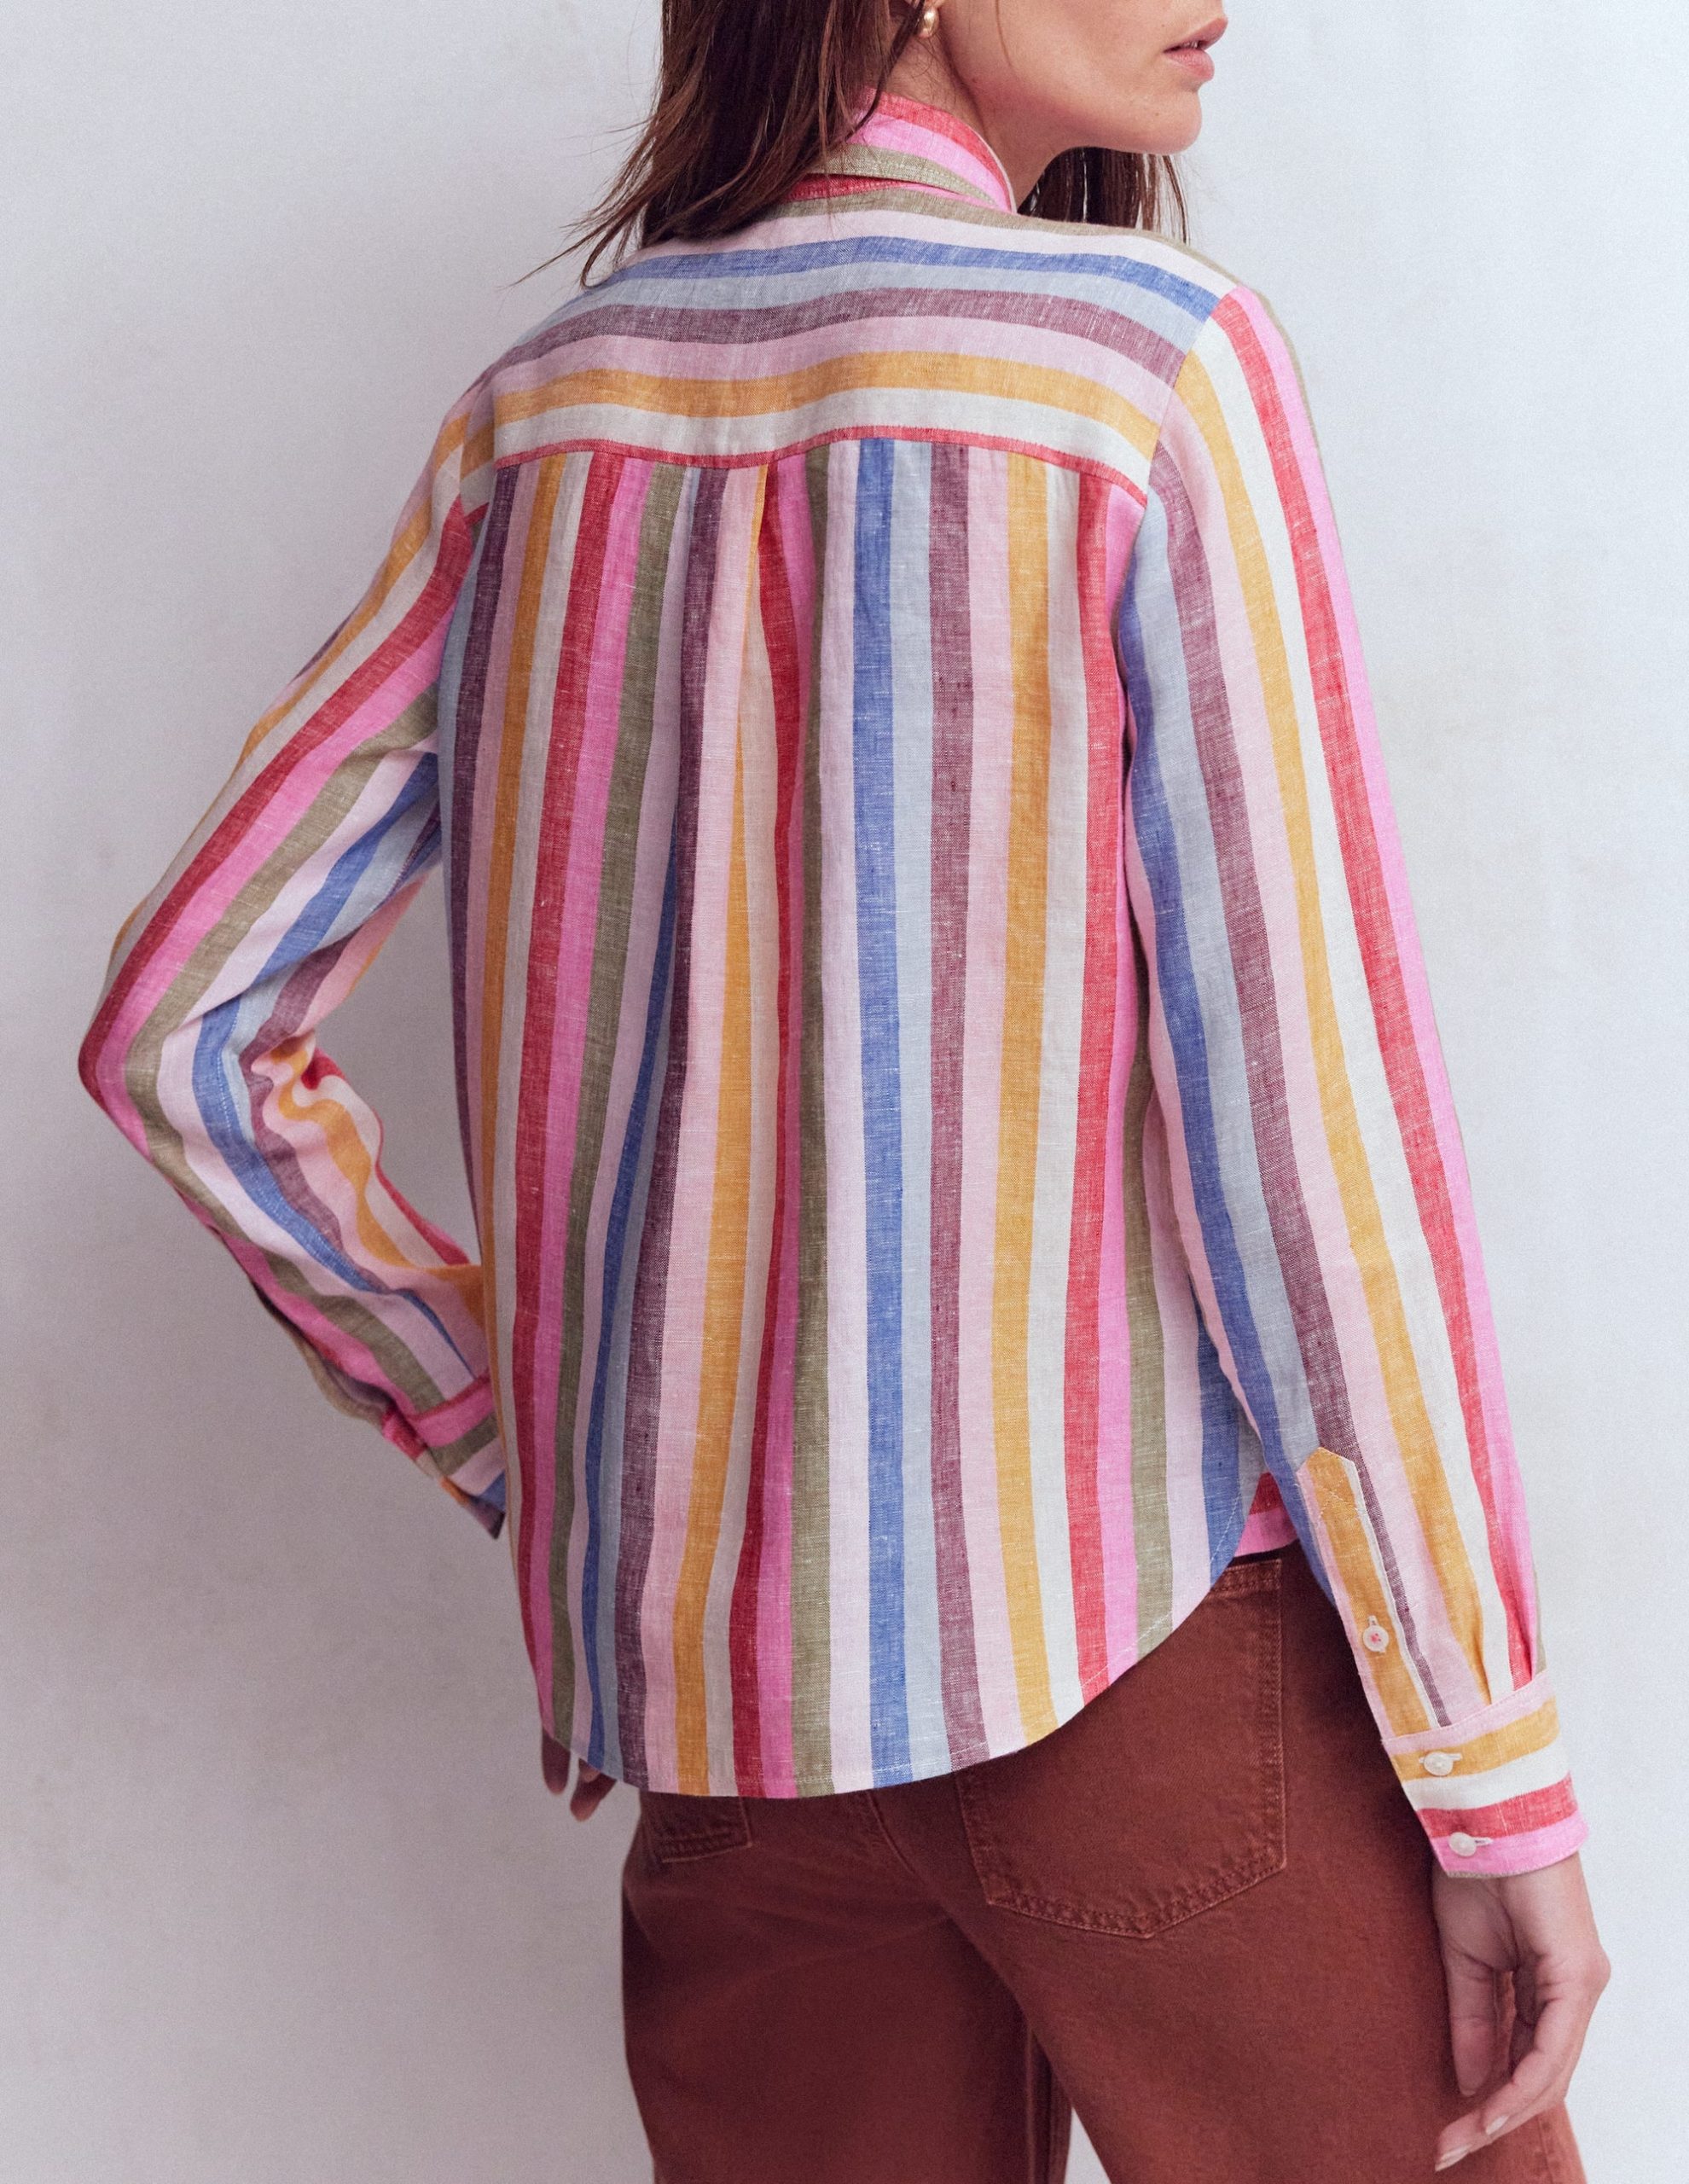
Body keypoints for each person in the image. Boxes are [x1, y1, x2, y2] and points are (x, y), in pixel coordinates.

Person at [78, 2, 1611, 2177]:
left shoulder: (537, 418)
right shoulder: (1144, 367)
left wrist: (521, 1427)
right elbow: (1313, 1136)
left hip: (724, 1729)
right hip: (1143, 1657)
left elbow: (182, 1028)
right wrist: (1488, 1767)